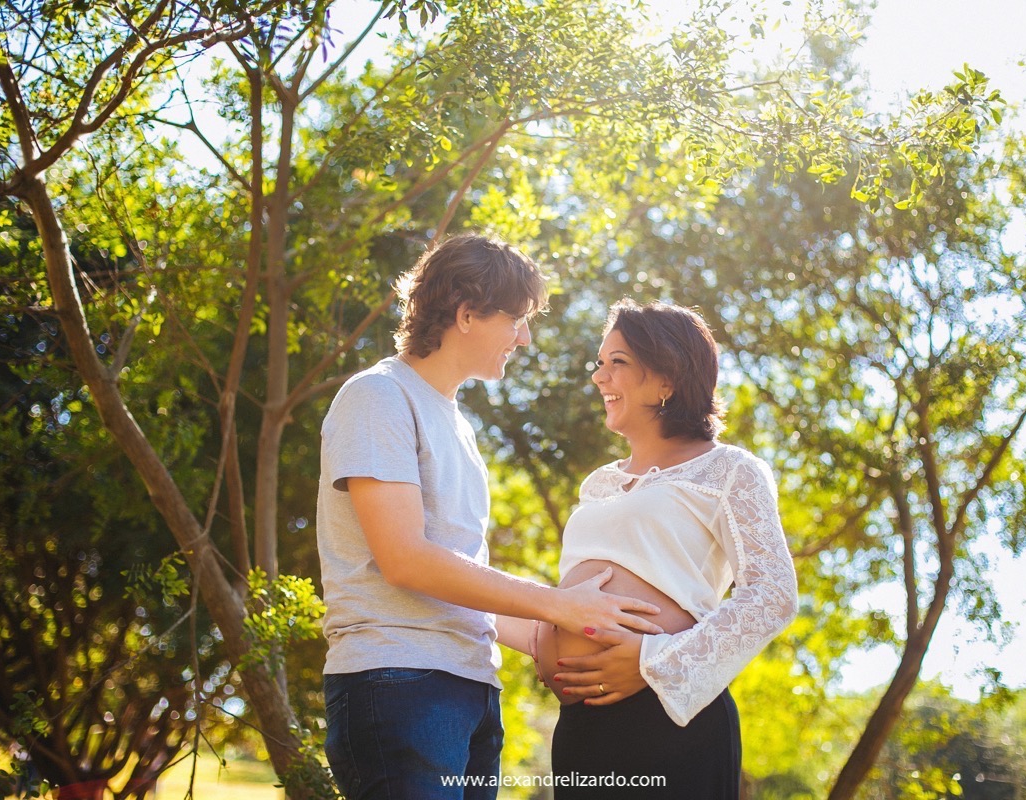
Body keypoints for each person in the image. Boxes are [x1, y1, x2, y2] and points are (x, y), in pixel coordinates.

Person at [316, 235, 665, 800]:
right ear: (468, 313)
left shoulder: (456, 423)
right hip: (400, 681)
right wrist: (556, 602)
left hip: (470, 687)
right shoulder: (378, 396)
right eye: (517, 319)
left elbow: (459, 583)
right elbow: (405, 560)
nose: (525, 337)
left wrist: (564, 641)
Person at [523, 298, 800, 798]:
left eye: (617, 363)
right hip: (583, 724)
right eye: (599, 363)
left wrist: (654, 662)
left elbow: (773, 593)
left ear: (667, 377)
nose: (599, 378)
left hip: (670, 718)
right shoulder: (598, 485)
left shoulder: (729, 470)